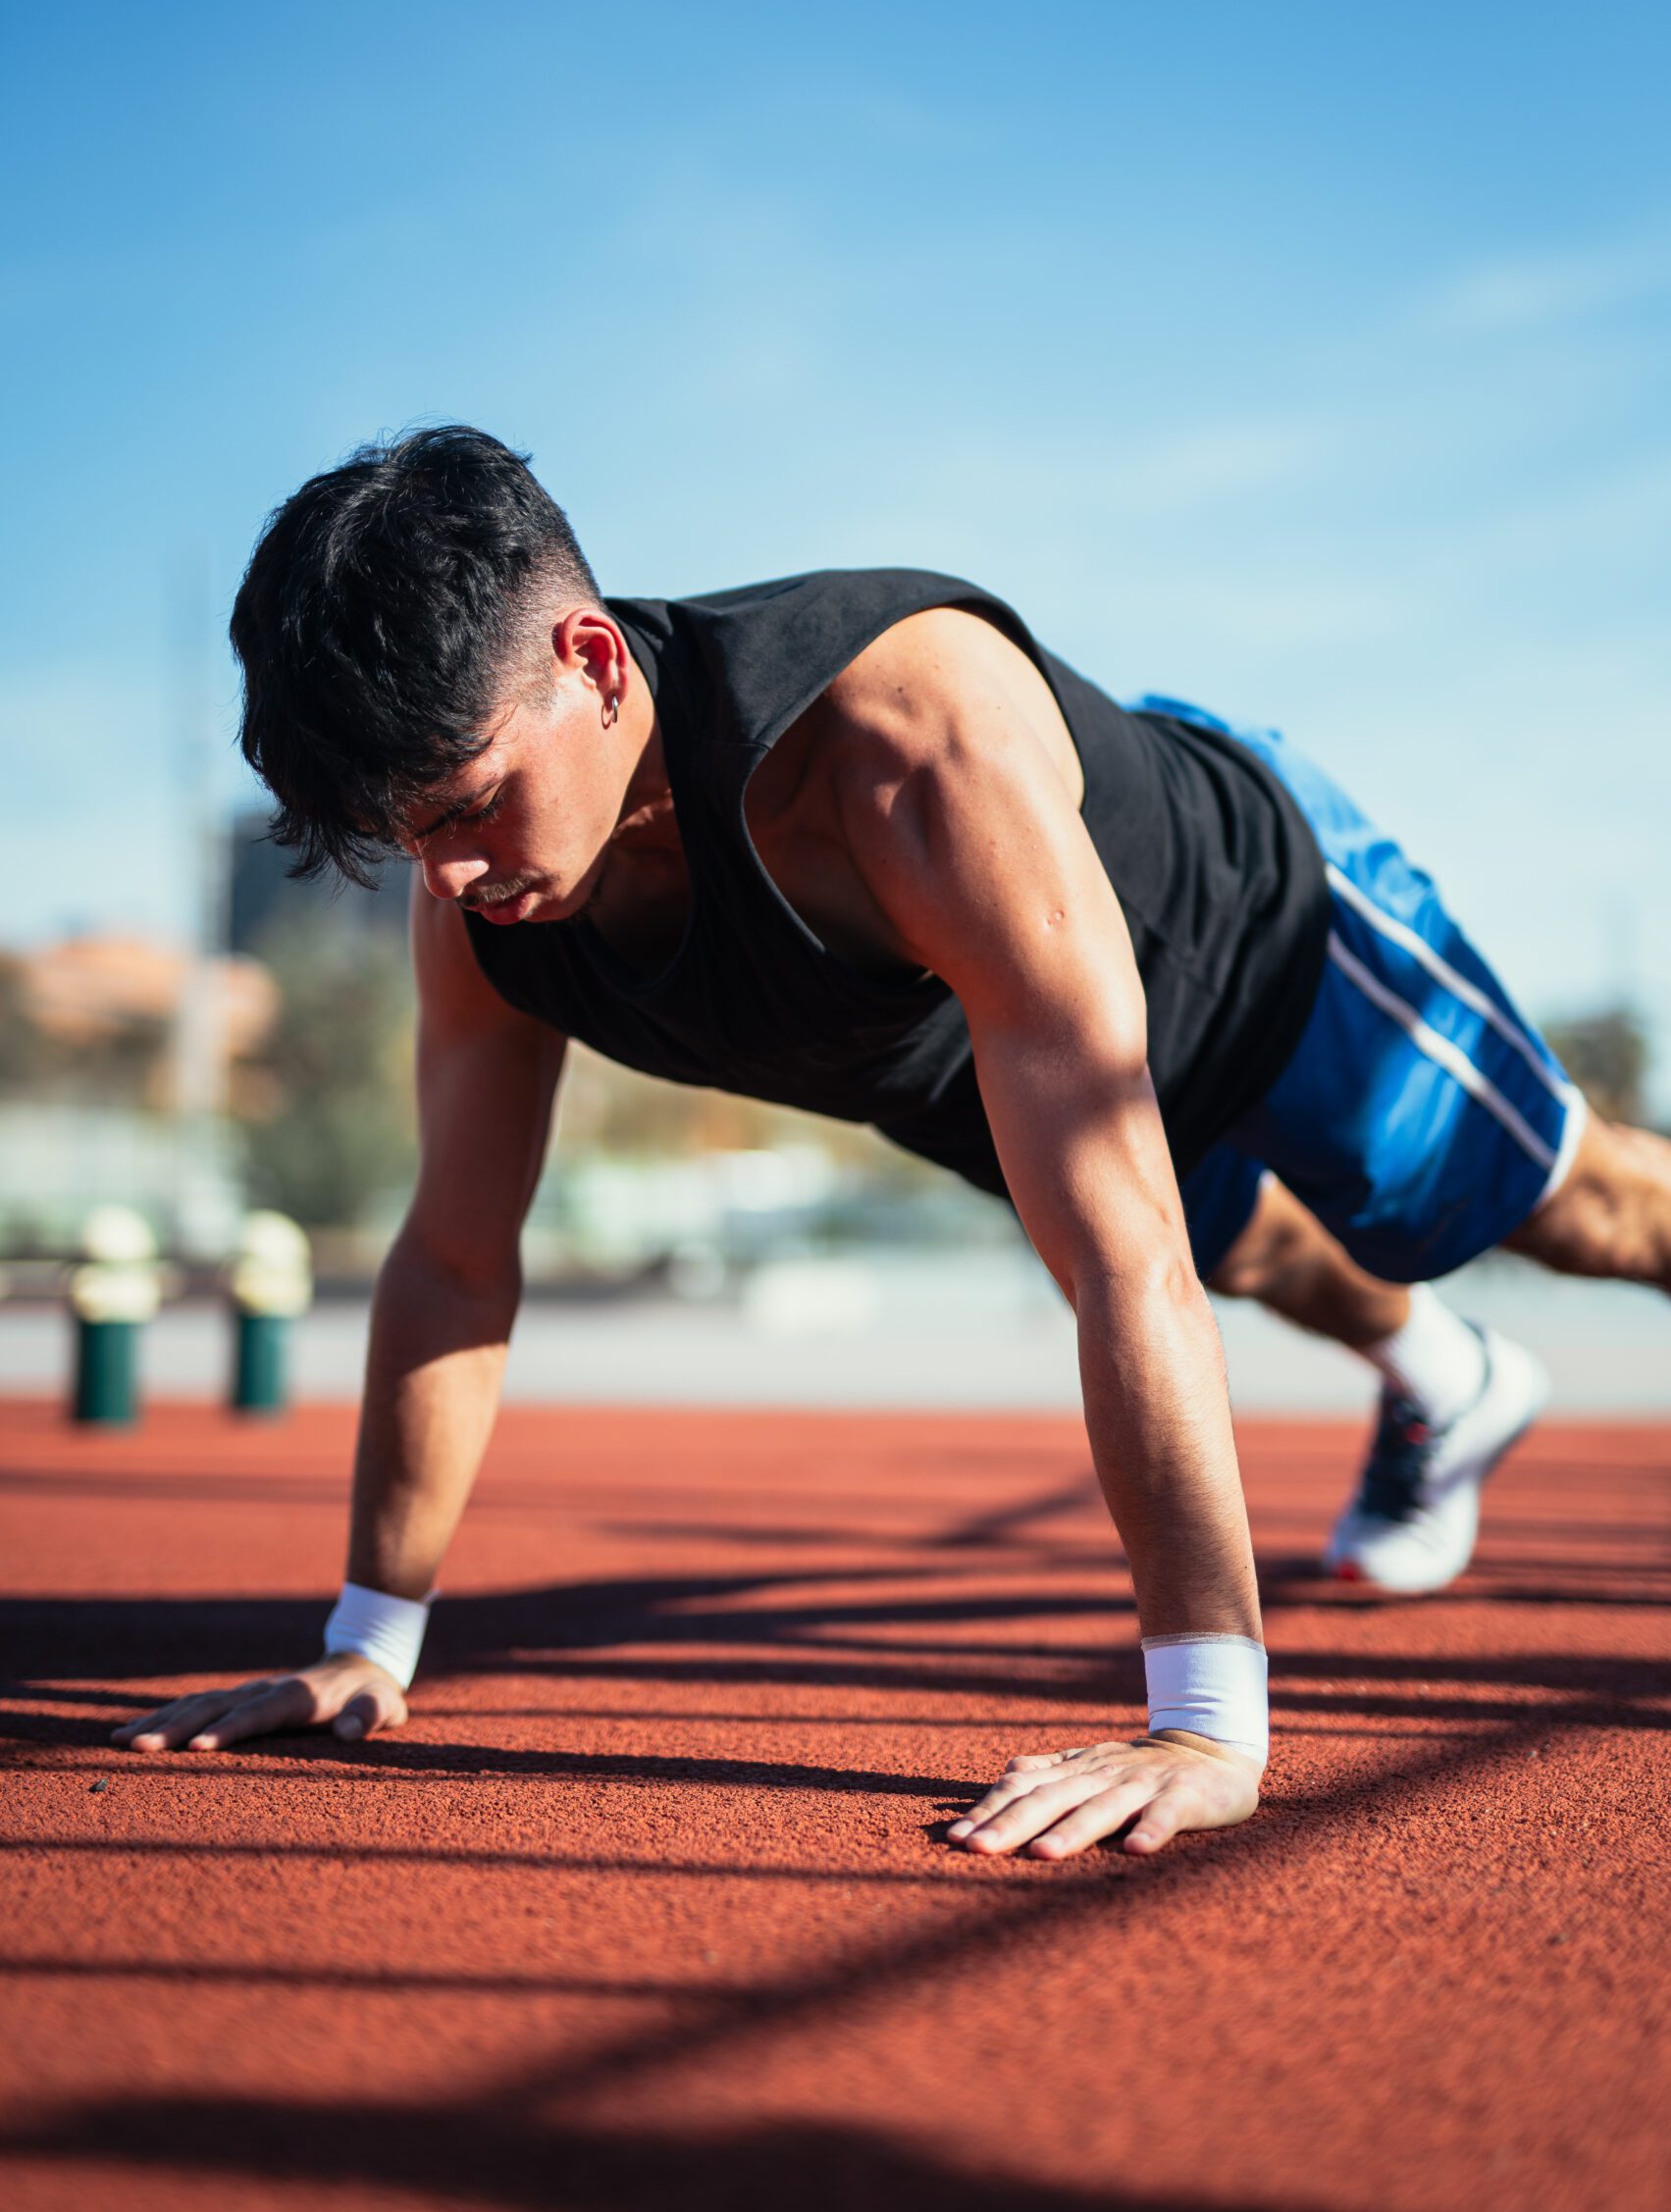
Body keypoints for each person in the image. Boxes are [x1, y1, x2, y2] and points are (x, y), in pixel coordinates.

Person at [116, 429, 1671, 1861]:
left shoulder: (894, 744)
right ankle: (1451, 1382)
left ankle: (1458, 1353)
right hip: (996, 1051)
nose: (442, 879)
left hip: (1264, 937)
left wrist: (1207, 1721)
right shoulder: (491, 904)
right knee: (1245, 1242)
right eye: (404, 840)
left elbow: (1115, 1252)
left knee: (1577, 1212)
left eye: (466, 808)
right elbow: (456, 1256)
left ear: (591, 665)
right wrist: (365, 1645)